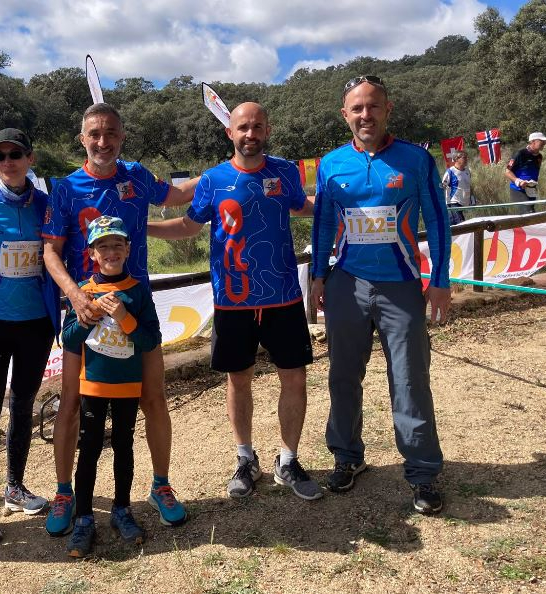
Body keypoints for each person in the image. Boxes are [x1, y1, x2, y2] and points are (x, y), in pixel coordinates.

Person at [148, 102, 320, 500]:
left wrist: (342, 208)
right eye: (243, 127)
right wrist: (143, 227)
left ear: (267, 130)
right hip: (232, 300)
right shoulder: (212, 180)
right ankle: (246, 459)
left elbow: (302, 205)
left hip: (283, 296)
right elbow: (189, 225)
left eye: (257, 126)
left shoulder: (284, 171)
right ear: (230, 132)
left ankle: (288, 460)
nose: (250, 133)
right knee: (237, 380)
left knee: (293, 378)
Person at [42, 102, 198, 536]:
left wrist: (229, 169)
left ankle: (161, 486)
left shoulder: (137, 176)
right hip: (85, 311)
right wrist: (74, 296)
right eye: (94, 133)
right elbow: (50, 251)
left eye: (111, 133)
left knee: (154, 399)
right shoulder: (66, 188)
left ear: (122, 136)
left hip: (136, 305)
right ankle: (64, 491)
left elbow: (180, 195)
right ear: (82, 139)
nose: (103, 141)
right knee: (71, 405)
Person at [311, 75, 451, 514]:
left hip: (401, 286)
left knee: (409, 381)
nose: (365, 115)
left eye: (373, 106)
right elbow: (323, 224)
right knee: (342, 378)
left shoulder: (414, 159)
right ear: (345, 114)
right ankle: (348, 458)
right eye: (357, 108)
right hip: (346, 285)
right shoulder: (331, 164)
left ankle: (423, 473)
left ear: (388, 109)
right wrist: (318, 275)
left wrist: (440, 281)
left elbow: (438, 220)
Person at [0, 128, 60, 545]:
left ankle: (15, 487)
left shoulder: (46, 204)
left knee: (22, 407)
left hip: (35, 322)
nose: (8, 161)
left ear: (30, 158)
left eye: (15, 153)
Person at [61, 216, 161, 557]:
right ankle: (84, 518)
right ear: (92, 253)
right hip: (93, 385)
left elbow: (151, 339)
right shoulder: (84, 291)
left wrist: (124, 317)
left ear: (128, 249)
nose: (111, 251)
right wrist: (87, 314)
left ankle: (121, 510)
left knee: (124, 446)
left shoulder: (137, 289)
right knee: (88, 450)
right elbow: (68, 338)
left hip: (127, 386)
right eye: (103, 246)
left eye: (117, 245)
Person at [505, 132, 546, 215]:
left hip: (531, 190)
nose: (544, 143)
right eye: (541, 141)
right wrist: (519, 181)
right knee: (529, 214)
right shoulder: (520, 154)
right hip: (518, 190)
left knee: (530, 214)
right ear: (533, 142)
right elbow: (507, 171)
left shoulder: (539, 156)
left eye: (544, 141)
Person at [441, 150, 472, 225]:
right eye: (464, 158)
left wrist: (472, 198)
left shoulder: (467, 171)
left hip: (464, 202)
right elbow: (442, 186)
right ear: (456, 159)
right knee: (461, 224)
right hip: (453, 202)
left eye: (467, 158)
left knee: (453, 225)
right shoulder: (450, 171)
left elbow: (468, 185)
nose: (466, 159)